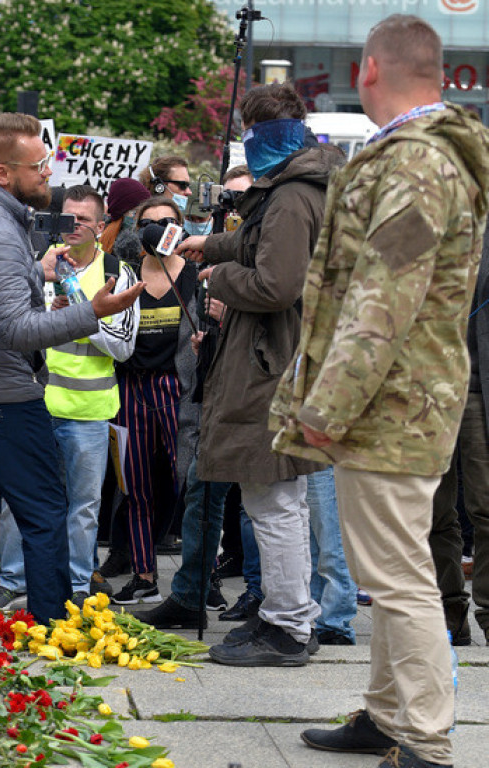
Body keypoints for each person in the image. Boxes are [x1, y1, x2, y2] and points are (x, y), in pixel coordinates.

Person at [272, 15, 489, 768]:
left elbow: (382, 299)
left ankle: (424, 739)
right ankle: (391, 715)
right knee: (392, 570)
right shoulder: (420, 157)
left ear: (369, 69)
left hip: (391, 407)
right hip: (401, 402)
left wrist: (326, 408)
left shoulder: (417, 165)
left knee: (398, 580)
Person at [0, 112, 143, 623]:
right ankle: (51, 626)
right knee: (47, 513)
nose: (49, 173)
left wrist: (33, 270)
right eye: (39, 166)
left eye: (48, 162)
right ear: (3, 173)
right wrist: (92, 311)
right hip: (1, 396)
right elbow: (19, 330)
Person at [176, 81, 344, 667]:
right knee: (280, 499)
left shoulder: (293, 195)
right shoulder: (292, 189)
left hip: (271, 361)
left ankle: (288, 626)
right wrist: (213, 245)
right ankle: (288, 616)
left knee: (271, 499)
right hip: (280, 357)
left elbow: (277, 284)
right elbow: (257, 244)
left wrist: (213, 278)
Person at [0, 185, 139, 608]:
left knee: (83, 507)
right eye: (67, 219)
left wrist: (79, 314)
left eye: (84, 220)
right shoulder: (41, 264)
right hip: (33, 406)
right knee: (18, 501)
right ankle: (14, 580)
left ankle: (76, 586)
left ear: (101, 223)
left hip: (88, 413)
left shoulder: (117, 271)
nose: (74, 227)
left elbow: (124, 346)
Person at [111, 197, 196, 605]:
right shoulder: (125, 276)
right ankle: (144, 574)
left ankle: (202, 578)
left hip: (178, 390)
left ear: (180, 227)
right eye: (147, 223)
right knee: (138, 487)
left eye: (166, 222)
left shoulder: (196, 276)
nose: (157, 229)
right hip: (131, 388)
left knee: (190, 486)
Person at [430, 229, 489, 648]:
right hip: (428, 392)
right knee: (433, 512)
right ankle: (449, 612)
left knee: (485, 509)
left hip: (478, 392)